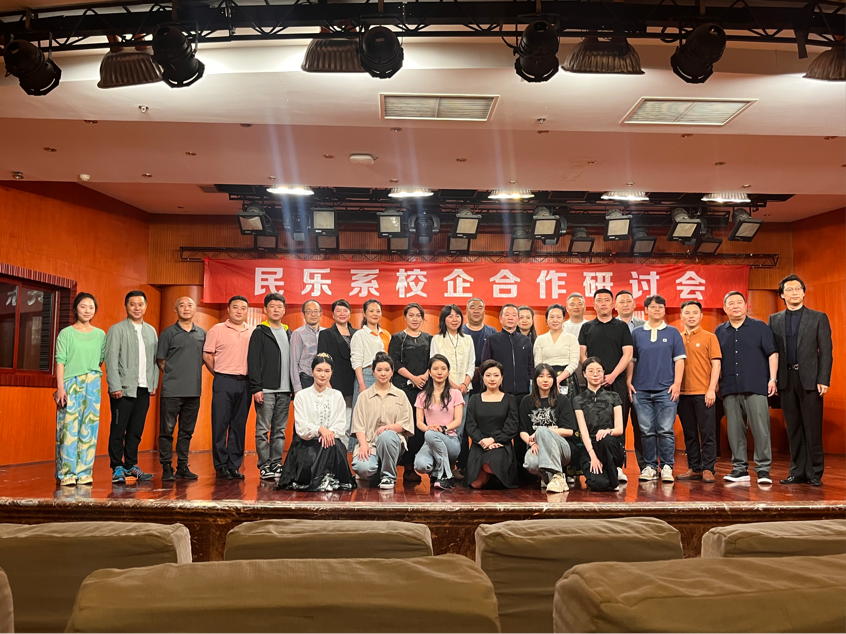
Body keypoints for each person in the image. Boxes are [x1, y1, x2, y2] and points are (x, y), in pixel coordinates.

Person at [769, 275, 833, 487]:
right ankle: (797, 471)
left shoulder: (818, 317)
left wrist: (823, 378)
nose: (794, 292)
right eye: (789, 289)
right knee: (794, 428)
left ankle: (814, 473)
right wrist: (773, 379)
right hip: (786, 379)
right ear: (782, 295)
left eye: (798, 288)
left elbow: (826, 351)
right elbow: (772, 352)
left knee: (812, 427)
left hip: (811, 380)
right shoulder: (774, 319)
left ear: (804, 292)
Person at [715, 291, 778, 485]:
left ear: (746, 306)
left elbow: (772, 353)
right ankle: (739, 469)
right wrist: (716, 383)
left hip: (755, 385)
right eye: (731, 303)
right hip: (729, 387)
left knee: (761, 429)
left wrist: (773, 379)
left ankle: (763, 470)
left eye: (739, 302)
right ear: (725, 308)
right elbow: (716, 360)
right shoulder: (719, 331)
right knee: (735, 430)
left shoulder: (760, 327)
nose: (735, 306)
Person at [276, 353, 357, 492]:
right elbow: (301, 427)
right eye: (319, 370)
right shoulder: (302, 396)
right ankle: (319, 479)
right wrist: (320, 430)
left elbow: (340, 425)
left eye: (327, 371)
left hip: (330, 441)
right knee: (312, 454)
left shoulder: (337, 395)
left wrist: (328, 433)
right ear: (312, 371)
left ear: (332, 373)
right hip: (307, 442)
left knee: (333, 447)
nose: (323, 375)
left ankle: (327, 478)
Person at [626, 295, 686, 484]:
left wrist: (677, 384)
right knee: (646, 431)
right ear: (646, 310)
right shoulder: (637, 333)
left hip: (666, 390)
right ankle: (650, 467)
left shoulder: (673, 332)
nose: (657, 310)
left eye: (660, 307)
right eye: (653, 307)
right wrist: (628, 381)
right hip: (641, 390)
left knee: (665, 430)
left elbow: (679, 360)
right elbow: (632, 360)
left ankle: (667, 467)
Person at [579, 289, 633, 483]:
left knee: (619, 424)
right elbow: (582, 354)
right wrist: (594, 374)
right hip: (593, 384)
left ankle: (617, 466)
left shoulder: (622, 326)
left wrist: (612, 375)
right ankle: (594, 461)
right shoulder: (587, 327)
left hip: (616, 382)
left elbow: (628, 354)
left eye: (607, 300)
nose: (603, 303)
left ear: (613, 304)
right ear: (594, 304)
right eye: (599, 300)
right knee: (593, 423)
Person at [105, 290, 158, 485]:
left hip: (143, 388)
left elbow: (154, 361)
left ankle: (131, 465)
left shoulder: (151, 331)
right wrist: (114, 385)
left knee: (136, 430)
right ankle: (117, 466)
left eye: (140, 304)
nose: (137, 308)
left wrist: (153, 383)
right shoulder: (117, 329)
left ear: (145, 307)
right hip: (123, 389)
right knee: (118, 429)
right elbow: (111, 359)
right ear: (126, 306)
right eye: (132, 304)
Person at [54, 293, 106, 487]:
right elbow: (60, 361)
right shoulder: (66, 333)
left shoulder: (100, 334)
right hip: (70, 383)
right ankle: (66, 472)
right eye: (83, 306)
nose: (87, 310)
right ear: (75, 308)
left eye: (91, 307)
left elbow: (100, 359)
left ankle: (84, 472)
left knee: (89, 428)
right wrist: (60, 387)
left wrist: (90, 377)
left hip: (93, 383)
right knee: (68, 428)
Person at [204, 295, 254, 480]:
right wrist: (218, 373)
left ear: (247, 311)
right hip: (223, 380)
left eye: (243, 308)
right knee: (220, 423)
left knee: (239, 424)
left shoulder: (253, 331)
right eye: (235, 307)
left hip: (246, 382)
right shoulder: (217, 329)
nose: (239, 311)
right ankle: (220, 465)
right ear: (228, 309)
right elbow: (207, 355)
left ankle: (234, 465)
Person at [155, 296, 205, 481]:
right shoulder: (168, 333)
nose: (186, 308)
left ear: (195, 309)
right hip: (172, 392)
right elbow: (161, 359)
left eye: (190, 305)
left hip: (194, 391)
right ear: (175, 310)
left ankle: (182, 465)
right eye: (181, 305)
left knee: (186, 432)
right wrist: (173, 374)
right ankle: (166, 466)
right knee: (167, 431)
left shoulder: (202, 334)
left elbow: (203, 359)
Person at [351, 352, 415, 489]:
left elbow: (406, 423)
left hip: (391, 442)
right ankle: (376, 472)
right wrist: (363, 444)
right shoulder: (364, 397)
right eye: (379, 370)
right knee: (363, 468)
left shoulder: (400, 395)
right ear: (373, 372)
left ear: (392, 372)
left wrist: (390, 428)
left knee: (385, 436)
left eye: (387, 370)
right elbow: (358, 425)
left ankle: (388, 477)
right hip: (369, 443)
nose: (383, 373)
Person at [676, 300, 722, 484]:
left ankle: (708, 469)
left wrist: (711, 389)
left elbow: (716, 364)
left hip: (704, 393)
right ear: (681, 316)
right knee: (689, 433)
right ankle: (694, 468)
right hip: (682, 394)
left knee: (708, 432)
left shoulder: (710, 337)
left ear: (701, 315)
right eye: (687, 313)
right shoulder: (677, 338)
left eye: (695, 312)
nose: (691, 316)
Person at [247, 293, 291, 481]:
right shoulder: (260, 332)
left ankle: (276, 463)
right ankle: (264, 465)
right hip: (266, 390)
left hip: (285, 390)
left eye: (279, 306)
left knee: (279, 431)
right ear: (265, 309)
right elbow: (253, 362)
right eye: (272, 306)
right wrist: (256, 388)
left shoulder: (288, 332)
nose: (276, 310)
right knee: (263, 430)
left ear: (284, 310)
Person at [389, 303, 432, 484]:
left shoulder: (429, 338)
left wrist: (425, 376)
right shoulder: (398, 338)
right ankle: (408, 468)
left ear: (422, 318)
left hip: (425, 388)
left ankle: (426, 465)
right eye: (411, 315)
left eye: (418, 315)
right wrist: (413, 378)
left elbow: (434, 361)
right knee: (408, 426)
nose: (414, 319)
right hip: (404, 389)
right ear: (405, 318)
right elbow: (394, 362)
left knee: (424, 425)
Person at [519, 364, 578, 493]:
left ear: (554, 380)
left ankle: (558, 475)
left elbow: (569, 431)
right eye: (541, 376)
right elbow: (523, 430)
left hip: (563, 448)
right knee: (530, 463)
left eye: (549, 376)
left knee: (542, 430)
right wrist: (532, 443)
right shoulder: (526, 401)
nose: (545, 380)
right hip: (537, 447)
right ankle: (548, 478)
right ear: (535, 379)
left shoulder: (562, 400)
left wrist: (542, 432)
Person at [431, 304, 475, 471]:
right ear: (444, 319)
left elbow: (471, 364)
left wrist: (464, 384)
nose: (454, 319)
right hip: (443, 390)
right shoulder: (437, 339)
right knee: (443, 427)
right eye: (450, 316)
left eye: (457, 316)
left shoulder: (468, 339)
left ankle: (456, 466)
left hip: (465, 391)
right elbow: (435, 365)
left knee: (460, 430)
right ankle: (443, 466)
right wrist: (454, 386)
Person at [571, 357, 625, 492]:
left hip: (610, 445)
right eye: (591, 371)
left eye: (599, 371)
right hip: (590, 447)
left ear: (603, 373)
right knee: (599, 484)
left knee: (605, 440)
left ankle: (614, 476)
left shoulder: (614, 397)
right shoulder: (578, 400)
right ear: (584, 374)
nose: (595, 374)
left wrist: (608, 431)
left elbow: (619, 429)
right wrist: (593, 457)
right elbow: (583, 431)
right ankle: (608, 475)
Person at [464, 360, 519, 489]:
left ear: (502, 378)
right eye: (488, 375)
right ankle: (493, 477)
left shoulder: (510, 399)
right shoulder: (474, 399)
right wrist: (483, 441)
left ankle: (496, 476)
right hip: (480, 444)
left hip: (501, 444)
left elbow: (512, 427)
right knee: (475, 484)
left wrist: (493, 439)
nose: (492, 379)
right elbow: (471, 425)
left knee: (489, 465)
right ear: (482, 378)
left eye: (496, 375)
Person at [414, 355, 464, 490]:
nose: (439, 372)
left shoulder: (455, 393)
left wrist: (442, 428)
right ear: (429, 372)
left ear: (448, 372)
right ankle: (437, 473)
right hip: (430, 439)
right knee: (420, 465)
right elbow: (419, 422)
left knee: (431, 434)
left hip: (450, 440)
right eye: (435, 369)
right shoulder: (422, 396)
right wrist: (430, 429)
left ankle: (446, 476)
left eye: (443, 368)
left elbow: (458, 420)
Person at [349, 298, 390, 453]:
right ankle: (356, 451)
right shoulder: (360, 335)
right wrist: (361, 383)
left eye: (378, 311)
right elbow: (356, 360)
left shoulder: (385, 334)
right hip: (366, 375)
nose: (375, 314)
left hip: (384, 376)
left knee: (380, 414)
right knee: (361, 414)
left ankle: (377, 449)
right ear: (364, 314)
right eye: (371, 311)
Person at [615, 289, 646, 473]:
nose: (625, 304)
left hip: (641, 384)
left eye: (629, 301)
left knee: (642, 427)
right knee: (618, 425)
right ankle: (617, 466)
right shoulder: (611, 326)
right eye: (621, 302)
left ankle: (646, 466)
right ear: (615, 306)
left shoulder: (645, 326)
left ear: (635, 304)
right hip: (617, 384)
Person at [317, 299, 358, 436]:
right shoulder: (326, 334)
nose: (342, 313)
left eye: (345, 310)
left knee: (353, 417)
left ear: (350, 313)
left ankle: (351, 446)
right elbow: (323, 360)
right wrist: (327, 382)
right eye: (338, 311)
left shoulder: (357, 333)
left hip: (354, 381)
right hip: (335, 382)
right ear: (333, 314)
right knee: (336, 418)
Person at [533, 304, 579, 399]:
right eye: (551, 317)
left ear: (564, 319)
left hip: (566, 378)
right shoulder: (540, 339)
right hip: (545, 379)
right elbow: (538, 364)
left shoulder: (571, 338)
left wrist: (557, 379)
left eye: (558, 317)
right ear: (546, 320)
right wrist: (548, 378)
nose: (555, 320)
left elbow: (574, 363)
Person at [463, 297, 497, 395]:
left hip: (487, 380)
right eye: (472, 307)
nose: (476, 311)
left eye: (480, 308)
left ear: (484, 311)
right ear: (466, 311)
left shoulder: (492, 332)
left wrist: (482, 370)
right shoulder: (460, 331)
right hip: (463, 380)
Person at [290, 300, 324, 392]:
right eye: (309, 311)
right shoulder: (298, 334)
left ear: (320, 314)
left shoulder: (326, 333)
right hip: (306, 379)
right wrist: (297, 388)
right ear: (304, 314)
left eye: (316, 311)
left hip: (324, 379)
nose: (313, 314)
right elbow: (294, 362)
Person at [563, 292, 588, 389]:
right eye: (572, 304)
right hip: (566, 373)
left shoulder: (591, 326)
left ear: (585, 307)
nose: (576, 307)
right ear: (567, 308)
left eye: (579, 304)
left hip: (586, 373)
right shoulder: (561, 327)